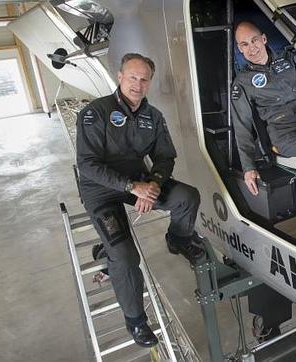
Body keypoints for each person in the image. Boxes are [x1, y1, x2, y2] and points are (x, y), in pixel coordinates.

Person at [76, 53, 203, 347]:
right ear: (120, 76)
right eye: (132, 77)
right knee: (125, 256)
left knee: (187, 197)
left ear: (150, 83)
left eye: (144, 79)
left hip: (140, 184)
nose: (138, 83)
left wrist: (154, 185)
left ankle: (179, 238)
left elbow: (165, 156)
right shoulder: (95, 113)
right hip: (102, 190)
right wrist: (132, 186)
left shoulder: (153, 117)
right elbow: (87, 165)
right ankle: (136, 320)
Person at [231, 21, 296, 196]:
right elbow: (242, 126)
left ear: (264, 39)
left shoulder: (291, 59)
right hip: (284, 134)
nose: (251, 48)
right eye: (244, 45)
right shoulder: (243, 82)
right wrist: (249, 168)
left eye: (254, 40)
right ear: (239, 49)